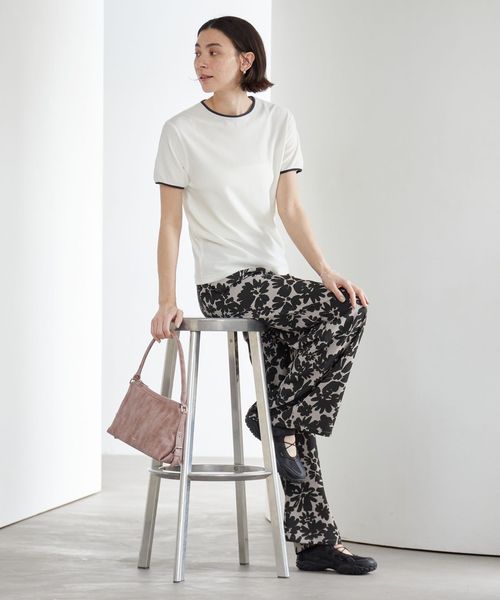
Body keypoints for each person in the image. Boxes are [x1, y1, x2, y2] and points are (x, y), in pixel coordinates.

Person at [150, 15, 377, 575]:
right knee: (298, 393)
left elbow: (290, 207)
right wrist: (166, 297)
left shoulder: (278, 122)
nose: (200, 62)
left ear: (245, 59)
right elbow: (170, 224)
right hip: (225, 285)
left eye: (213, 51)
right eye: (197, 51)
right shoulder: (180, 131)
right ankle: (275, 419)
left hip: (272, 279)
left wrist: (325, 270)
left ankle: (315, 541)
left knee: (336, 320)